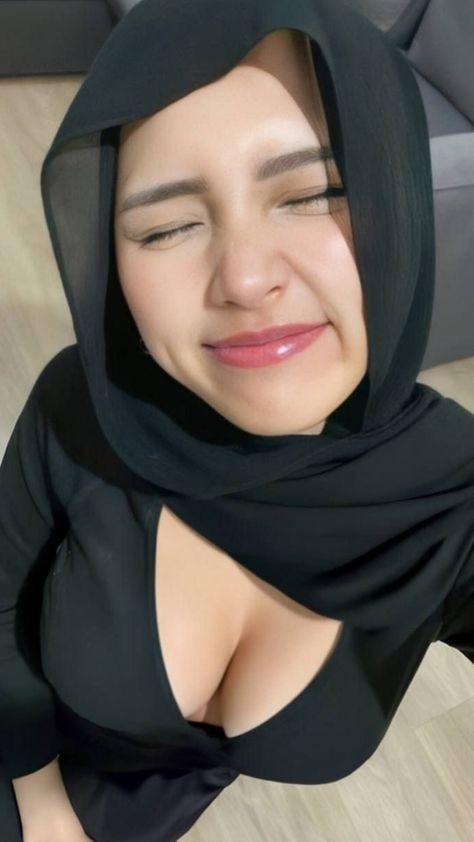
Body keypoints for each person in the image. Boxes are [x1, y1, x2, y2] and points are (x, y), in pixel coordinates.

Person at [1, 1, 473, 841]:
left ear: (399, 189)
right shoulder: (83, 409)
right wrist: (43, 814)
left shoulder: (458, 498)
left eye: (315, 193)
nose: (246, 279)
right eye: (167, 227)